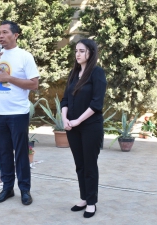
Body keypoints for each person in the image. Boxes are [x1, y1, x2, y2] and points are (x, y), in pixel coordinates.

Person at [0, 20, 39, 205]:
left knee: (21, 152)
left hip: (18, 112)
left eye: (5, 32)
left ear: (15, 35)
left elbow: (34, 84)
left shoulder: (25, 56)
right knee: (3, 152)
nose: (0, 35)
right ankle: (7, 188)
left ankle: (25, 190)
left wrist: (10, 78)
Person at [60, 39, 106, 218]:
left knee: (89, 165)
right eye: (76, 51)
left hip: (90, 126)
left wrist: (78, 120)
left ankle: (92, 202)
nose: (77, 54)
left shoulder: (97, 73)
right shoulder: (74, 73)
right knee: (80, 165)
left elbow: (97, 103)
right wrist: (65, 119)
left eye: (82, 51)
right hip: (72, 127)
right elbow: (65, 99)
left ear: (91, 53)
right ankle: (84, 198)